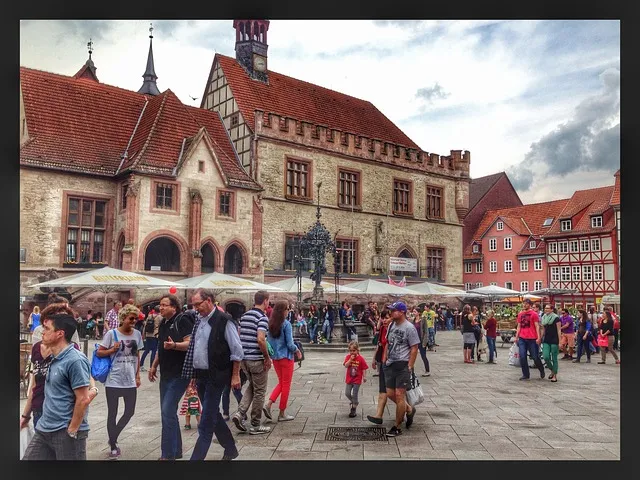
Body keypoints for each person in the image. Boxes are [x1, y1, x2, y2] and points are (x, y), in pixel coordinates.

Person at [181, 288, 243, 460]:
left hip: (217, 375)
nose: (195, 308)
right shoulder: (199, 320)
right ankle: (230, 448)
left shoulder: (225, 321)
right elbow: (197, 349)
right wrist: (193, 375)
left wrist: (235, 375)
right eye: (193, 305)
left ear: (209, 301)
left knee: (206, 420)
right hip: (201, 375)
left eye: (198, 304)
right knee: (213, 413)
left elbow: (237, 350)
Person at [23, 313, 95, 460]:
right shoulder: (54, 357)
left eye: (47, 328)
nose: (42, 331)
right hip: (44, 428)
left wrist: (72, 430)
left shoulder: (75, 360)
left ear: (60, 334)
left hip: (64, 431)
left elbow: (82, 399)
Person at [148, 294, 195, 460]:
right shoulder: (163, 323)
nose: (161, 308)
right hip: (166, 374)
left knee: (168, 411)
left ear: (174, 307)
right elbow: (161, 348)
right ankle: (176, 451)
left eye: (164, 305)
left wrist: (174, 345)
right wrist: (154, 366)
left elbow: (190, 344)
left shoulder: (182, 320)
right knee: (167, 413)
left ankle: (168, 455)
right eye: (160, 305)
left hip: (180, 373)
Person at [96, 304, 143, 459]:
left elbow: (137, 356)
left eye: (135, 318)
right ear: (123, 318)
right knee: (113, 413)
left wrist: (137, 375)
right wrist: (111, 350)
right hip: (113, 380)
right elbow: (99, 352)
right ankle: (114, 446)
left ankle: (112, 436)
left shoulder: (137, 334)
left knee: (130, 412)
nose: (134, 321)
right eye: (131, 318)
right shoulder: (112, 334)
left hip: (129, 380)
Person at [232, 291, 272, 435]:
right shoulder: (262, 317)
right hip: (256, 359)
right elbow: (261, 339)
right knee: (260, 391)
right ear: (265, 301)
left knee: (252, 387)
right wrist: (266, 357)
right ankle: (255, 424)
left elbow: (238, 336)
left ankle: (240, 413)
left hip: (244, 360)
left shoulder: (245, 316)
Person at [382, 301, 419, 438]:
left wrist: (410, 365)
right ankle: (409, 409)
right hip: (391, 364)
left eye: (393, 310)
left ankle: (397, 426)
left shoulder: (409, 328)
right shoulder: (392, 325)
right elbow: (388, 342)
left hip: (403, 364)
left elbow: (414, 347)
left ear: (402, 312)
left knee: (399, 395)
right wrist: (384, 359)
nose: (391, 312)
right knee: (390, 394)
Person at [264, 300, 302, 422]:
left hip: (275, 358)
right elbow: (290, 344)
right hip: (286, 357)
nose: (288, 311)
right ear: (283, 311)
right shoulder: (286, 324)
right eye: (287, 309)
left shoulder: (271, 324)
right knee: (286, 385)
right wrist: (297, 350)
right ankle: (282, 413)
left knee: (281, 382)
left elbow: (268, 342)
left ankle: (269, 404)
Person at [367, 309, 392, 425]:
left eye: (387, 317)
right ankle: (378, 416)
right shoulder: (382, 329)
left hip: (392, 363)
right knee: (382, 390)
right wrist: (374, 359)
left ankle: (408, 409)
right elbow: (380, 345)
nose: (384, 320)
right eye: (383, 318)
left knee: (392, 393)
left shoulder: (394, 330)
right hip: (383, 362)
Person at [514, 298, 545, 380]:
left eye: (526, 304)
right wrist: (516, 337)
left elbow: (537, 326)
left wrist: (538, 337)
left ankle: (541, 369)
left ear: (530, 305)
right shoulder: (520, 314)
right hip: (522, 338)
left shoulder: (534, 314)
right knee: (522, 356)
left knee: (535, 357)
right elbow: (519, 326)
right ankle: (526, 374)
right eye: (524, 303)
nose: (524, 305)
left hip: (532, 338)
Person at [343, 341, 369, 418]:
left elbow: (364, 368)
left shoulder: (361, 359)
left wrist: (364, 377)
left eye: (354, 351)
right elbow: (346, 366)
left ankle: (353, 409)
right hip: (349, 379)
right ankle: (355, 402)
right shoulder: (348, 357)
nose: (352, 352)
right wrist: (350, 360)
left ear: (357, 350)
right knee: (347, 393)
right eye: (350, 351)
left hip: (357, 379)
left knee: (355, 394)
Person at [540, 304, 561, 382]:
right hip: (546, 339)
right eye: (545, 308)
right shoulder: (544, 317)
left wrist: (560, 341)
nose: (546, 310)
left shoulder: (556, 318)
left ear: (552, 310)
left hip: (554, 339)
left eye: (548, 308)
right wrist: (540, 337)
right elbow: (542, 329)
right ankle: (552, 370)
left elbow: (559, 330)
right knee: (546, 357)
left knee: (554, 358)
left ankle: (554, 375)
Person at [140, 306, 162, 372]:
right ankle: (151, 366)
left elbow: (145, 326)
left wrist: (143, 335)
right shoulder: (160, 317)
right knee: (154, 351)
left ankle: (141, 365)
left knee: (146, 350)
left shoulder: (149, 316)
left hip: (148, 334)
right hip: (155, 335)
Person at [416, 307, 431, 376]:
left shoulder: (423, 320)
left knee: (423, 356)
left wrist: (425, 342)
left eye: (415, 311)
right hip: (414, 341)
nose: (413, 313)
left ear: (419, 312)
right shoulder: (413, 320)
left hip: (421, 340)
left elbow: (426, 332)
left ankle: (427, 370)